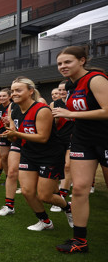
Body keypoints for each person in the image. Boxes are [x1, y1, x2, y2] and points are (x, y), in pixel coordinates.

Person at [52, 46, 108, 253]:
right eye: (59, 63)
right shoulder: (70, 85)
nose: (63, 66)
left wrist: (71, 114)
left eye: (67, 62)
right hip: (83, 140)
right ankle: (79, 241)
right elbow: (78, 111)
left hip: (105, 139)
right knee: (79, 188)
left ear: (82, 60)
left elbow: (107, 111)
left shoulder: (96, 79)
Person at [1, 77, 73, 232]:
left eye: (18, 90)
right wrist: (9, 135)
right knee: (27, 191)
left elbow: (43, 137)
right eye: (12, 91)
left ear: (31, 91)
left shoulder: (42, 109)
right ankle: (45, 221)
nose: (14, 93)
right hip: (28, 153)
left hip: (50, 155)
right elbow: (14, 135)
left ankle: (68, 207)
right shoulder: (14, 109)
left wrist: (17, 134)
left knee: (45, 196)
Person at [49, 80, 75, 212]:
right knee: (56, 166)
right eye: (59, 90)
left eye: (64, 89)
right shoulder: (54, 104)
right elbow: (52, 123)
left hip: (73, 138)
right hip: (58, 138)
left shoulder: (74, 102)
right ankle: (56, 194)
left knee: (67, 166)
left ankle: (63, 195)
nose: (61, 92)